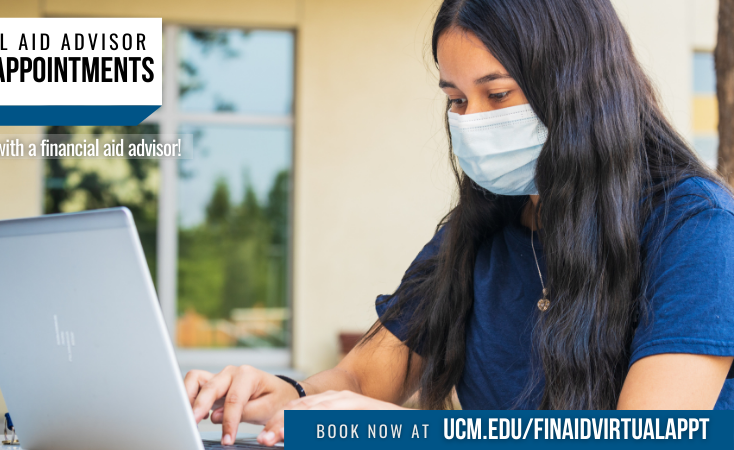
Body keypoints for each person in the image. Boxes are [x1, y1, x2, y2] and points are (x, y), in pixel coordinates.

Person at [184, 0, 734, 446]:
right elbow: (361, 378)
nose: (470, 123)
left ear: (579, 89)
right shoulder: (481, 225)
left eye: (497, 95)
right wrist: (287, 394)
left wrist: (405, 433)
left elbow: (650, 436)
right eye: (456, 99)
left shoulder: (696, 226)